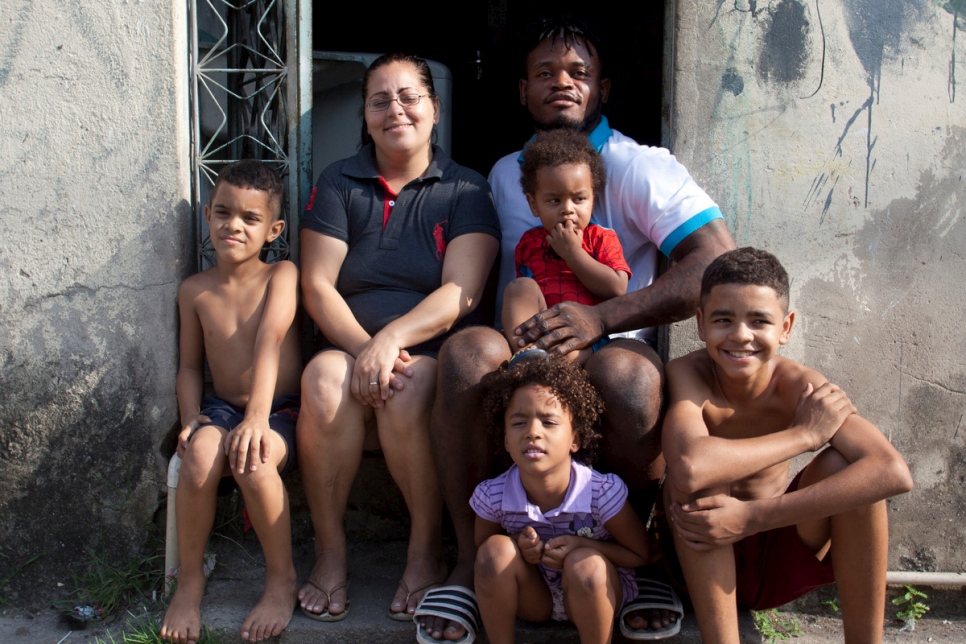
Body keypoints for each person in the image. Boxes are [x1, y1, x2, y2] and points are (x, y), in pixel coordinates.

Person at [421, 17, 735, 642]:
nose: (561, 84)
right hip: (526, 342)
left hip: (610, 342)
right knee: (464, 357)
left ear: (604, 89)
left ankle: (631, 562)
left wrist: (602, 316)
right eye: (544, 73)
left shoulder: (639, 167)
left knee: (627, 378)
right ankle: (467, 561)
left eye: (578, 73)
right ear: (521, 91)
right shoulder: (506, 172)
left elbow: (715, 267)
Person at [296, 52, 501, 625]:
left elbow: (460, 291)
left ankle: (423, 553)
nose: (396, 110)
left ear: (434, 109)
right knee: (321, 380)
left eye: (410, 96)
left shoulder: (467, 190)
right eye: (380, 100)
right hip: (348, 343)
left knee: (409, 387)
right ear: (364, 115)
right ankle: (330, 553)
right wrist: (367, 348)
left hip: (425, 349)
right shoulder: (339, 181)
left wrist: (391, 342)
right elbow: (316, 286)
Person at [662, 247, 914, 643]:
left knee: (849, 472)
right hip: (699, 555)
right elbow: (690, 467)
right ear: (700, 323)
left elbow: (891, 471)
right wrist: (804, 435)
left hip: (777, 553)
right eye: (723, 319)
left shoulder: (800, 385)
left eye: (759, 320)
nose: (741, 336)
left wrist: (751, 517)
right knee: (702, 481)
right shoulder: (688, 373)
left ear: (786, 326)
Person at [160, 160, 302, 644]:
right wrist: (189, 418)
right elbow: (190, 368)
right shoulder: (194, 291)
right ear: (207, 215)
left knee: (254, 461)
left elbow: (270, 339)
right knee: (199, 454)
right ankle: (190, 579)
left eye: (249, 218)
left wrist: (258, 418)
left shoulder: (281, 274)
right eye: (223, 212)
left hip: (279, 407)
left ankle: (281, 579)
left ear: (273, 229)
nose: (233, 226)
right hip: (220, 408)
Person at [472, 357, 652, 644]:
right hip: (534, 599)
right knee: (495, 551)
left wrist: (585, 545)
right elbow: (482, 551)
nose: (533, 432)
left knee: (585, 564)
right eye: (519, 422)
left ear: (575, 439)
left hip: (595, 594)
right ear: (506, 441)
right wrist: (519, 544)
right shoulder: (492, 496)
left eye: (549, 422)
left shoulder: (600, 493)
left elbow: (641, 555)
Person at [502, 129, 629, 365]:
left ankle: (548, 366)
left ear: (594, 198)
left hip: (584, 340)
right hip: (540, 335)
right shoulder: (529, 242)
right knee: (519, 287)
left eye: (579, 199)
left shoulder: (601, 238)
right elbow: (527, 299)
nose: (568, 209)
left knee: (568, 353)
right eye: (554, 200)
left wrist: (573, 253)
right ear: (534, 204)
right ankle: (528, 355)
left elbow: (617, 287)